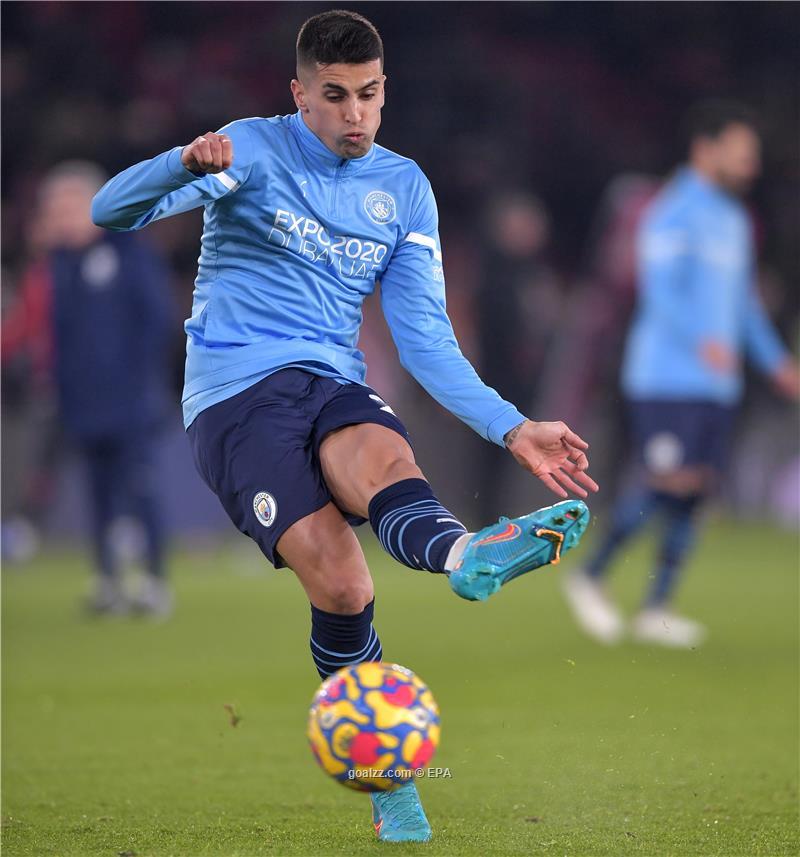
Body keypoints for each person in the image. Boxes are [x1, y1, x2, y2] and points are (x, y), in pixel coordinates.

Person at [91, 10, 598, 842]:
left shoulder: (403, 189)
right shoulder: (247, 149)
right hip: (234, 397)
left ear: (384, 90)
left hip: (332, 378)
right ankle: (390, 783)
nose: (354, 114)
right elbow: (112, 210)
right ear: (300, 95)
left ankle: (470, 554)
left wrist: (512, 428)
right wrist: (181, 164)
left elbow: (425, 340)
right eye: (335, 97)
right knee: (343, 584)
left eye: (368, 95)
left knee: (385, 456)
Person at [562, 100, 800, 649]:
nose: (749, 164)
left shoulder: (735, 220)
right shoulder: (670, 210)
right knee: (669, 481)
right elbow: (660, 291)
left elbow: (744, 307)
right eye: (740, 152)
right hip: (666, 378)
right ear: (705, 149)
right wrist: (702, 342)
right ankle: (591, 574)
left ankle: (656, 607)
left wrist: (775, 362)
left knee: (698, 492)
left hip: (717, 384)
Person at [18, 162, 176, 615]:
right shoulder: (58, 265)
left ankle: (152, 580)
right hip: (82, 402)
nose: (59, 217)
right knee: (97, 492)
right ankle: (108, 579)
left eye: (67, 206)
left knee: (140, 487)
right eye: (53, 209)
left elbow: (157, 319)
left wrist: (141, 382)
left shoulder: (129, 249)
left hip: (131, 400)